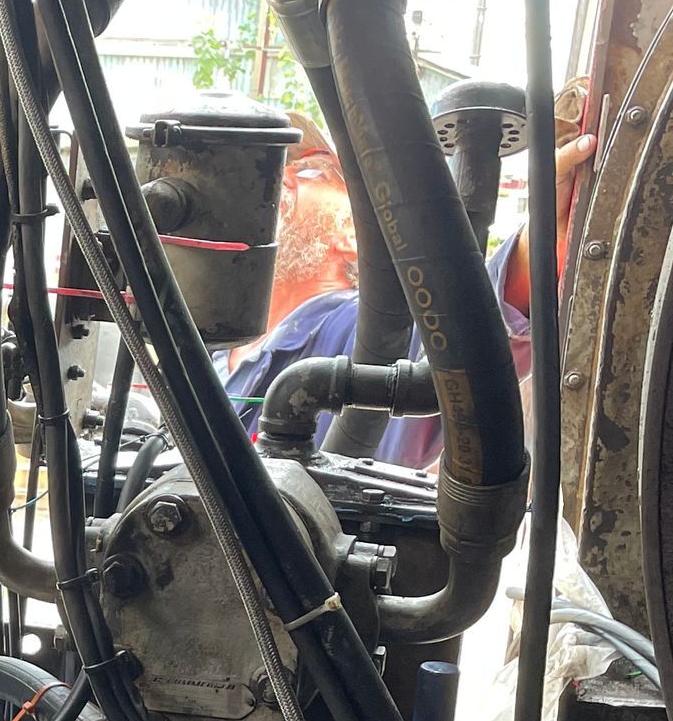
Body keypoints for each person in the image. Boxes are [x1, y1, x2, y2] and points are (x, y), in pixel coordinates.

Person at [224, 101, 597, 469]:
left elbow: (474, 326)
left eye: (306, 169)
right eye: (253, 176)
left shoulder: (373, 331)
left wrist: (551, 231)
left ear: (355, 230)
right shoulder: (204, 355)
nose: (278, 181)